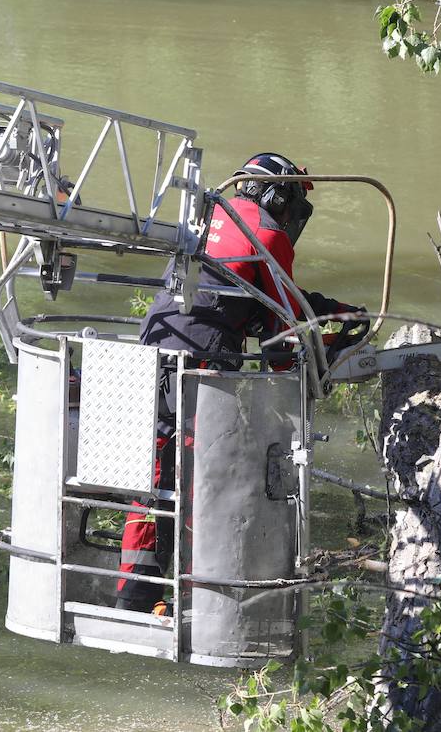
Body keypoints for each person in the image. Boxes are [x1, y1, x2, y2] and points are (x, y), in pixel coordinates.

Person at [114, 151, 364, 614]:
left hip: (151, 353)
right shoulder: (268, 234)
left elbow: (245, 296)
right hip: (200, 367)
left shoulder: (207, 219)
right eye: (291, 202)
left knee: (152, 477)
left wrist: (326, 308)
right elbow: (280, 328)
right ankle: (198, 597)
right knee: (202, 476)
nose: (291, 215)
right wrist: (295, 386)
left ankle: (135, 593)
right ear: (276, 194)